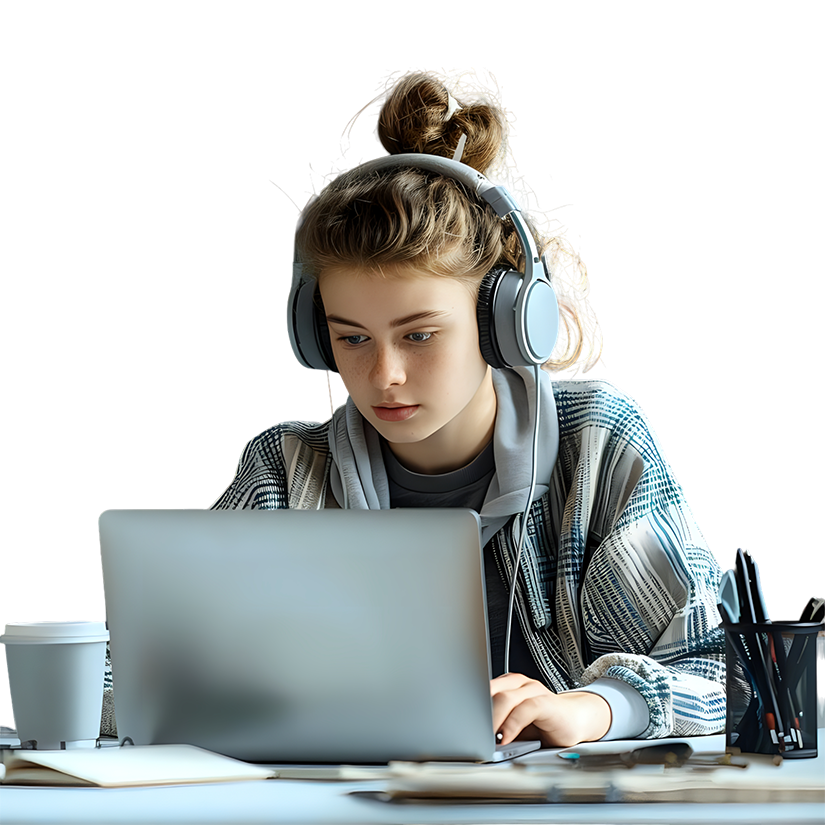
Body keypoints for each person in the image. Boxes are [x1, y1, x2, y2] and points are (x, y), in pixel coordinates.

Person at [101, 67, 727, 748]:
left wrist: (596, 708)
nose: (383, 375)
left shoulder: (600, 446)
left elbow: (721, 670)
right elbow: (120, 673)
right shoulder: (282, 470)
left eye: (419, 334)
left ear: (505, 322)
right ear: (317, 336)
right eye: (351, 338)